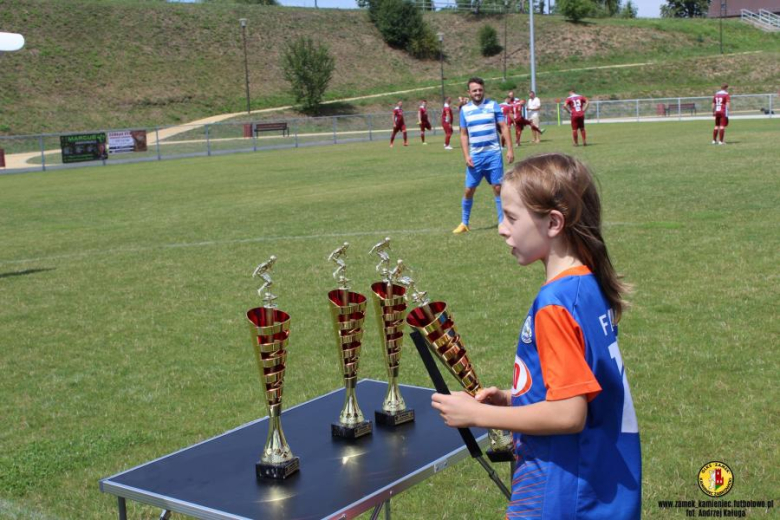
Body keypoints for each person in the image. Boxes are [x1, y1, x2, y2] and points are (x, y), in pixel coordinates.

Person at [432, 153, 642, 519]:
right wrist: (517, 398)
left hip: (562, 493)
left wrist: (478, 414)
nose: (501, 227)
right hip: (599, 490)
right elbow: (584, 390)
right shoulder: (588, 286)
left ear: (553, 222)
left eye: (511, 217)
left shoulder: (555, 303)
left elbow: (568, 414)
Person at [453, 77, 514, 234]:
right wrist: (466, 156)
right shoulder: (464, 110)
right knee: (469, 189)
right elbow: (463, 134)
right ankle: (464, 223)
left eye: (480, 89)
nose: (478, 92)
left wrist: (509, 149)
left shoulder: (493, 106)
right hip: (475, 157)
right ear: (469, 92)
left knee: (498, 188)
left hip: (493, 154)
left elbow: (504, 127)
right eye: (474, 90)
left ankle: (502, 222)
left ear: (483, 90)